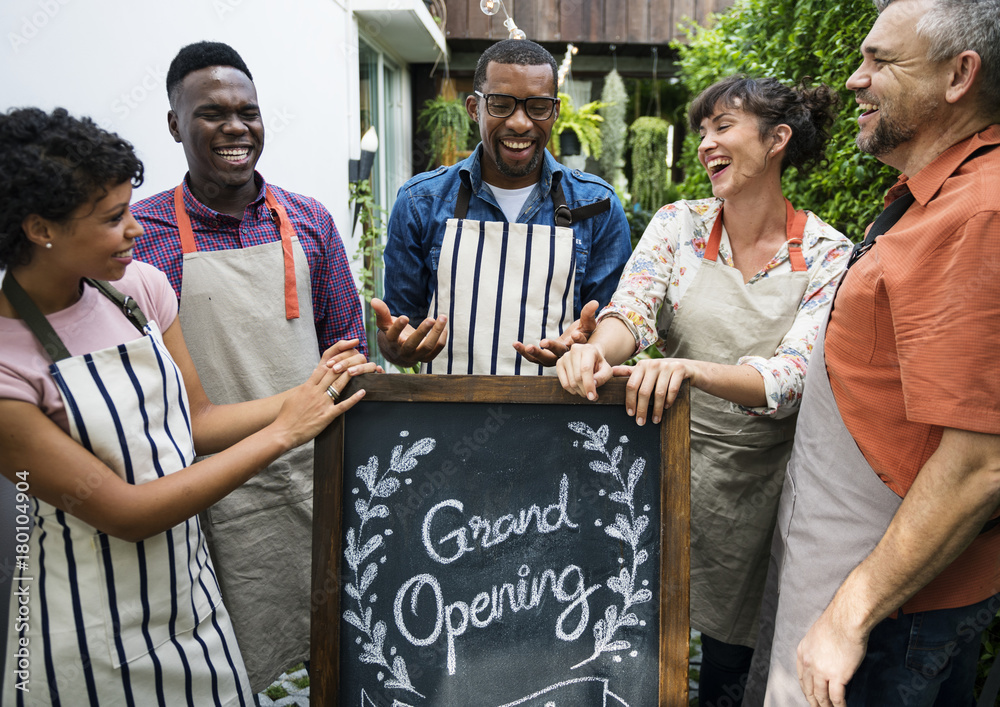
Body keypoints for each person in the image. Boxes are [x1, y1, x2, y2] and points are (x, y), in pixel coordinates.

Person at [0, 107, 373, 705]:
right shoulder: (8, 367)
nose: (136, 230)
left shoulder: (139, 290)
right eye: (114, 218)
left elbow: (195, 423)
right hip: (87, 622)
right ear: (42, 228)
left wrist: (308, 395)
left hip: (192, 600)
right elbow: (129, 513)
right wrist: (283, 432)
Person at [557, 76, 852, 706]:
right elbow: (631, 314)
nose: (705, 144)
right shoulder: (678, 225)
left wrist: (689, 371)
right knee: (627, 645)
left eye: (723, 126)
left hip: (760, 493)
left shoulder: (830, 254)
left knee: (730, 672)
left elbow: (794, 378)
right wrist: (593, 351)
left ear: (778, 139)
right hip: (659, 470)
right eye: (701, 131)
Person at [743, 1, 1000, 705]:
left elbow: (981, 461)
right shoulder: (930, 199)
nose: (854, 80)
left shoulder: (979, 213)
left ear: (959, 77)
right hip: (854, 574)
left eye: (880, 60)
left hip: (894, 615)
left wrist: (849, 614)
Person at [130, 41, 369, 690]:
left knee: (335, 650)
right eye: (212, 113)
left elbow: (350, 349)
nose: (236, 127)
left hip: (313, 475)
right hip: (204, 492)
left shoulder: (308, 220)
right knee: (213, 667)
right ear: (175, 124)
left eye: (249, 112)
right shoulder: (137, 236)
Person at [373, 38, 632, 375]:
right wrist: (397, 348)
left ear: (555, 112)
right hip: (444, 419)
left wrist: (589, 348)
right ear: (474, 108)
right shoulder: (420, 201)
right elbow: (400, 328)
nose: (520, 123)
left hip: (562, 417)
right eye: (500, 104)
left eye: (537, 106)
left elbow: (613, 328)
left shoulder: (598, 204)